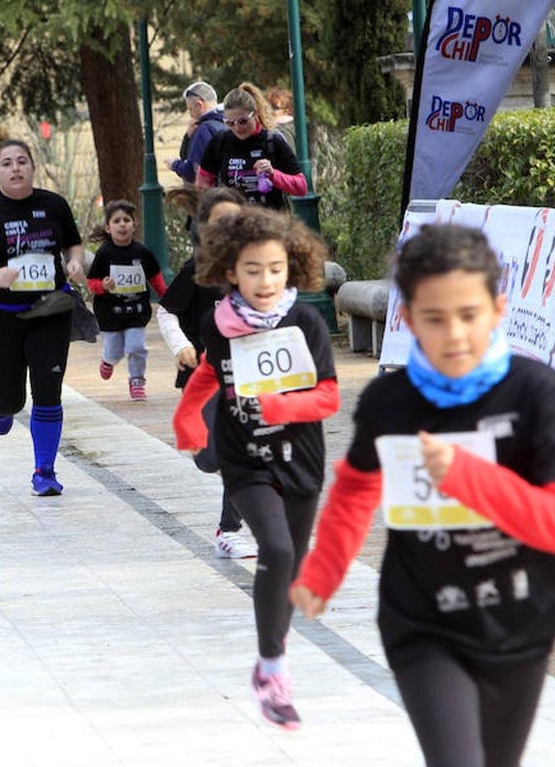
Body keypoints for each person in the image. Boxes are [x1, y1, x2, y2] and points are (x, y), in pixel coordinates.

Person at [290, 223, 555, 766]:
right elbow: (356, 491)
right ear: (407, 320)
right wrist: (322, 573)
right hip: (422, 620)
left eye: (469, 315)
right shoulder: (389, 401)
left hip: (519, 620)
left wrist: (467, 476)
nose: (454, 335)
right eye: (434, 318)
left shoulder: (534, 391)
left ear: (497, 310)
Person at [173, 207, 339, 730]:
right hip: (245, 457)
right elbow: (208, 373)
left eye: (274, 268)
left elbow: (329, 397)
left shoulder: (306, 322)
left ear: (291, 268)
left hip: (302, 459)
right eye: (252, 270)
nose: (265, 281)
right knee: (277, 548)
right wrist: (188, 422)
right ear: (230, 272)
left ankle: (272, 652)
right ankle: (273, 671)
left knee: (293, 565)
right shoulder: (218, 324)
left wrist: (281, 407)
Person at [0, 111, 86, 496]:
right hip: (1, 316)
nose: (15, 170)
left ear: (33, 167)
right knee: (10, 400)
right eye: (7, 164)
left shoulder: (54, 204)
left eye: (22, 162)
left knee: (48, 389)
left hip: (50, 310)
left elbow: (72, 242)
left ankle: (44, 471)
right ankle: (1, 402)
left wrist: (75, 260)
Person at [158, 185, 256, 558]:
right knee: (209, 458)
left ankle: (229, 530)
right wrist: (181, 345)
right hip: (203, 378)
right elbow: (167, 312)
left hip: (246, 377)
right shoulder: (197, 270)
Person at [85, 199, 167, 401]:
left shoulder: (142, 253)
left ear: (134, 223)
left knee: (136, 346)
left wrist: (167, 297)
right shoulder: (104, 253)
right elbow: (92, 282)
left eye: (126, 220)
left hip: (136, 311)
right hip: (110, 312)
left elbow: (155, 277)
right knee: (115, 349)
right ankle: (108, 360)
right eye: (117, 221)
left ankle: (137, 379)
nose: (122, 224)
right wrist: (103, 286)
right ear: (108, 227)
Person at [197, 82, 306, 210]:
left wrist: (273, 174)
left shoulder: (272, 141)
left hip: (270, 221)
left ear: (254, 114)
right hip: (233, 222)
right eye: (230, 123)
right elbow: (202, 184)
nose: (237, 128)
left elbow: (301, 187)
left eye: (243, 121)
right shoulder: (220, 142)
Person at [170, 81, 227, 184]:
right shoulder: (230, 123)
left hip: (212, 192)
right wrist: (188, 136)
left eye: (191, 109)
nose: (191, 115)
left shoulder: (204, 129)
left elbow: (192, 170)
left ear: (200, 105)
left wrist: (174, 164)